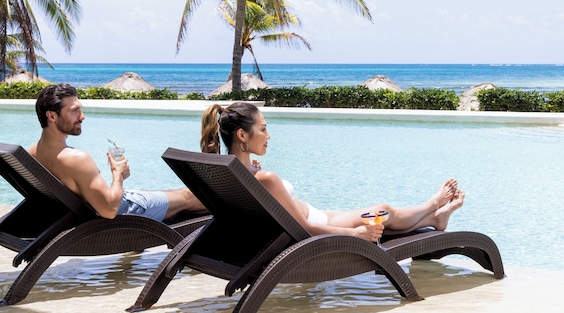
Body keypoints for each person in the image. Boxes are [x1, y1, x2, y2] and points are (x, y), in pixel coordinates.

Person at [199, 102, 464, 242]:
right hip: (318, 226)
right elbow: (304, 229)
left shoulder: (227, 172)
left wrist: (250, 168)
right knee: (383, 213)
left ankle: (434, 219)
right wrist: (355, 234)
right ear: (242, 134)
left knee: (381, 218)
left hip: (316, 216)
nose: (268, 135)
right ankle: (433, 206)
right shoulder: (264, 178)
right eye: (263, 129)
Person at [29, 83, 205, 221]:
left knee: (172, 194)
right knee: (190, 196)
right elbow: (109, 210)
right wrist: (118, 174)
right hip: (122, 212)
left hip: (81, 215)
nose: (82, 117)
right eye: (74, 111)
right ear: (52, 116)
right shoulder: (77, 159)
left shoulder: (33, 153)